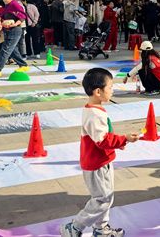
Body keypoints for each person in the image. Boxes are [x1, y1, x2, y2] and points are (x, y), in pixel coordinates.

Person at [60, 68, 139, 237]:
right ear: (98, 91)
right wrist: (124, 139)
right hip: (96, 164)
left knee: (105, 197)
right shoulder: (94, 114)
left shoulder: (94, 109)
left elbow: (104, 137)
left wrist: (118, 143)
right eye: (110, 87)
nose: (112, 90)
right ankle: (74, 227)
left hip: (102, 160)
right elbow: (102, 141)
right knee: (102, 199)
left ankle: (101, 229)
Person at [0, 0, 29, 77]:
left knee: (5, 50)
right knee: (12, 50)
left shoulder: (14, 4)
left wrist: (15, 24)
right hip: (8, 30)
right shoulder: (7, 5)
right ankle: (23, 65)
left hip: (15, 30)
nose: (4, 0)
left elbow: (23, 16)